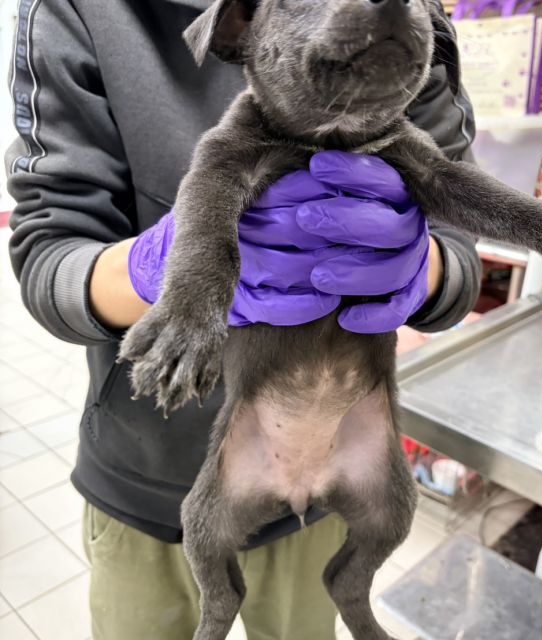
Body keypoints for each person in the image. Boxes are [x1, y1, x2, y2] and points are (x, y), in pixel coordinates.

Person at [5, 1, 482, 639]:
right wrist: (160, 271)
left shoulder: (404, 13)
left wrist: (419, 267)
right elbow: (49, 258)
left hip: (327, 461)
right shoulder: (79, 10)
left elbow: (460, 247)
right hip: (148, 481)